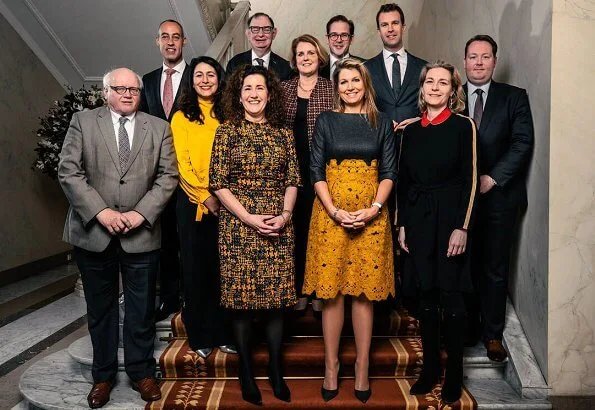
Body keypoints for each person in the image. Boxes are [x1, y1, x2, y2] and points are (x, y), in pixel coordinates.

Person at [58, 68, 178, 408]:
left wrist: (141, 214)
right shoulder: (83, 122)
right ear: (106, 92)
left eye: (134, 89)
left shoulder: (159, 128)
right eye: (120, 88)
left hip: (142, 235)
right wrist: (101, 213)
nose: (127, 94)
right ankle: (103, 376)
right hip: (93, 233)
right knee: (100, 310)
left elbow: (168, 177)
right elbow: (68, 170)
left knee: (141, 311)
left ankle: (142, 373)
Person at [302, 58, 396, 404]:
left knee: (363, 293)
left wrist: (372, 210)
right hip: (330, 216)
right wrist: (335, 210)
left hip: (372, 216)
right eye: (343, 82)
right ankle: (331, 366)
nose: (350, 87)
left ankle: (361, 367)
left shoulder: (380, 121)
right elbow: (315, 171)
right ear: (336, 87)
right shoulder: (326, 120)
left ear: (365, 84)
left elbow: (389, 170)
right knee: (332, 294)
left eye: (355, 80)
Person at [209, 65, 301, 405]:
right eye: (247, 88)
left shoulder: (282, 132)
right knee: (243, 304)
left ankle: (276, 371)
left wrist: (285, 215)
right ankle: (246, 372)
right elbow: (217, 183)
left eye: (260, 88)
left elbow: (293, 180)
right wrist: (249, 218)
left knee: (277, 305)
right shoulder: (226, 131)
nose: (253, 94)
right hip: (238, 227)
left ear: (269, 93)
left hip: (278, 224)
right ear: (239, 93)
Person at [396, 61, 478, 404]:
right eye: (430, 81)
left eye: (442, 82)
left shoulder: (464, 126)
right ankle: (430, 369)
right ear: (422, 87)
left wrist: (463, 227)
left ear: (452, 90)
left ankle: (455, 374)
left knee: (452, 295)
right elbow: (402, 180)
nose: (435, 87)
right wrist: (400, 224)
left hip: (450, 220)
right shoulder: (410, 130)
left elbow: (471, 180)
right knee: (426, 294)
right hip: (417, 219)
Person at [462, 35, 534, 360]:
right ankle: (466, 330)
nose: (479, 63)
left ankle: (492, 335)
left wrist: (492, 178)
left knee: (493, 266)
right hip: (460, 201)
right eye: (473, 57)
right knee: (462, 264)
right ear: (464, 61)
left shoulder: (514, 98)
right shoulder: (451, 96)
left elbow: (521, 143)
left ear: (494, 61)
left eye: (485, 57)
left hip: (498, 198)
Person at [170, 56, 237, 359]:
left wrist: (224, 197)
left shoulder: (230, 113)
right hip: (193, 203)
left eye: (211, 74)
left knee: (224, 269)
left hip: (229, 202)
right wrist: (205, 196)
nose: (205, 80)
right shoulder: (181, 116)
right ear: (191, 80)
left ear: (219, 79)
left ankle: (224, 332)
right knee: (197, 270)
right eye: (199, 75)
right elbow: (181, 163)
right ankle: (200, 334)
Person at [139, 19, 191, 321]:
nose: (170, 42)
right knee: (165, 240)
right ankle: (170, 298)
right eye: (165, 37)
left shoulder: (198, 77)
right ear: (157, 42)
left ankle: (192, 296)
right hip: (158, 175)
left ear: (184, 42)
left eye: (176, 37)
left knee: (190, 239)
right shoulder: (146, 81)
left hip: (190, 175)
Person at [281, 34, 334, 314]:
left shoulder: (332, 89)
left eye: (311, 53)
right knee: (294, 231)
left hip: (321, 170)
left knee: (318, 232)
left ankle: (316, 289)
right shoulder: (282, 89)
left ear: (319, 57)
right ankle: (298, 288)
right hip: (289, 172)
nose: (305, 58)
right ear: (294, 59)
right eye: (300, 53)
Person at [365, 3, 427, 129]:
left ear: (403, 28)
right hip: (380, 142)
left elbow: (433, 104)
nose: (390, 29)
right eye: (384, 25)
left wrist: (421, 119)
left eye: (395, 23)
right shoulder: (366, 68)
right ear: (378, 32)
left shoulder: (423, 67)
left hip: (416, 139)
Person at [225, 12, 292, 81]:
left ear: (273, 33)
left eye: (266, 29)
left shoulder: (285, 67)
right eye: (255, 29)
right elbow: (229, 91)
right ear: (248, 34)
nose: (260, 34)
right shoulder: (234, 64)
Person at [320, 15, 365, 81]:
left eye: (344, 35)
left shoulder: (365, 66)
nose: (339, 40)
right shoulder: (317, 68)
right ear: (327, 39)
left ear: (351, 39)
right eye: (334, 35)